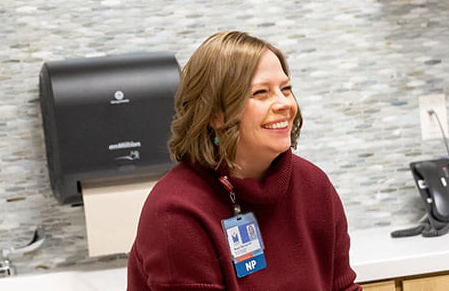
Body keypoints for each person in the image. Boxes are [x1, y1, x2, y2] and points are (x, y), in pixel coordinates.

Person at [128, 31, 360, 291]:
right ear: (215, 114)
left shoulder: (314, 185)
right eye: (261, 93)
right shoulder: (176, 214)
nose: (284, 103)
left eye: (286, 89)